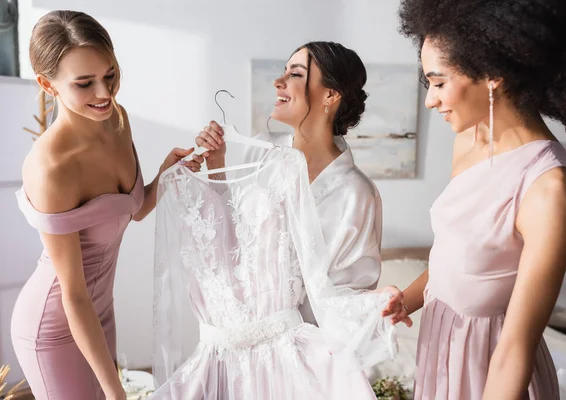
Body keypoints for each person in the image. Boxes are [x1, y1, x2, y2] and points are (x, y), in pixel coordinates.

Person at [397, 0, 566, 398]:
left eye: (438, 83)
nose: (430, 101)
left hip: (492, 372)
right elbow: (453, 258)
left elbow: (516, 345)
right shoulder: (469, 140)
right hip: (440, 349)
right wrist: (406, 300)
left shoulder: (550, 186)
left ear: (492, 75)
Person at [10, 10, 202, 400]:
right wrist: (116, 391)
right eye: (85, 83)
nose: (104, 93)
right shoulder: (53, 167)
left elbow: (137, 208)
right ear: (48, 85)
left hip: (100, 312)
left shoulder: (117, 120)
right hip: (56, 323)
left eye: (110, 75)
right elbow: (73, 293)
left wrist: (167, 171)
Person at [196, 41, 410, 328]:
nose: (278, 82)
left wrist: (377, 301)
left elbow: (345, 296)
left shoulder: (356, 193)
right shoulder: (261, 152)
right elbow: (230, 238)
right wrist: (217, 167)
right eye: (284, 72)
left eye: (295, 74)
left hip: (299, 350)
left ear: (331, 94)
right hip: (233, 334)